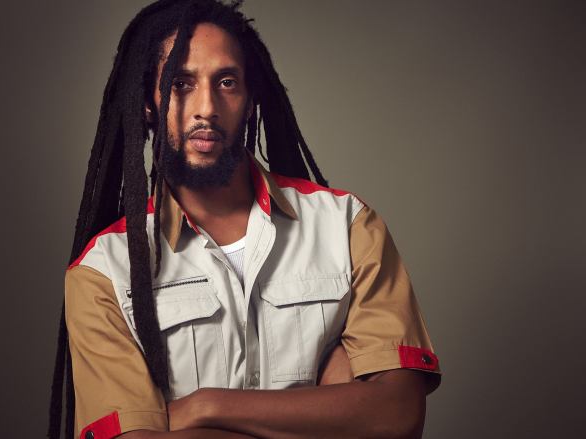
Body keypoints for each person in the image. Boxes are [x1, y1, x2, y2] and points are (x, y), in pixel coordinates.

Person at [48, 1, 441, 438]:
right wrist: (329, 411)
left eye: (227, 82)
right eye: (180, 83)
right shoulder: (103, 272)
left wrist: (204, 407)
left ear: (250, 97)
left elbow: (397, 416)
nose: (206, 107)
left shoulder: (347, 227)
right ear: (147, 103)